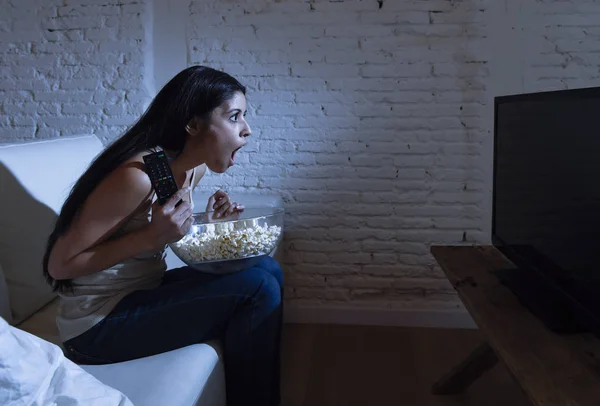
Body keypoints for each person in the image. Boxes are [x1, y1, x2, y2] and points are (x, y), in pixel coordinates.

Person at [42, 66, 283, 406]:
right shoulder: (138, 176)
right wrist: (153, 236)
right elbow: (59, 265)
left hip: (141, 293)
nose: (247, 130)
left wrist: (204, 222)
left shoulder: (191, 169)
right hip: (95, 327)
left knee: (266, 270)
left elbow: (153, 231)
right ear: (193, 124)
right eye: (233, 117)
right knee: (258, 289)